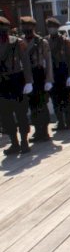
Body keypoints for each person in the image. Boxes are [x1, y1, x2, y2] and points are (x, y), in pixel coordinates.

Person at [0, 16, 34, 155]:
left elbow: (25, 63)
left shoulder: (17, 42)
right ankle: (14, 143)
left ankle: (24, 141)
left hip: (16, 79)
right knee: (5, 115)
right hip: (1, 82)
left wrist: (29, 81)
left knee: (21, 113)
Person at [20, 16, 54, 143]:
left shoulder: (41, 42)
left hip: (39, 74)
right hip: (27, 75)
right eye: (24, 26)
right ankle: (37, 130)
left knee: (42, 104)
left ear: (33, 27)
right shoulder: (21, 41)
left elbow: (48, 61)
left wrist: (49, 79)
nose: (25, 29)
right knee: (32, 105)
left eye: (28, 26)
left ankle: (44, 130)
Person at [46, 17, 70, 131]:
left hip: (64, 72)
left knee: (66, 99)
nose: (51, 29)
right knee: (55, 100)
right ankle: (60, 122)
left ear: (57, 28)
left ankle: (68, 122)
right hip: (52, 74)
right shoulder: (45, 41)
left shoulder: (65, 41)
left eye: (53, 27)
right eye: (49, 27)